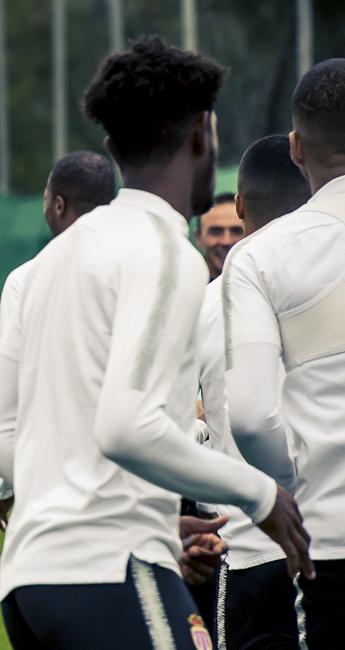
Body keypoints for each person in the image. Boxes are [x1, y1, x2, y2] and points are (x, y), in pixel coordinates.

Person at [0, 36, 312, 648]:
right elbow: (128, 427)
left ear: (112, 149)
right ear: (203, 136)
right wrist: (262, 494)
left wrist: (147, 515)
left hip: (28, 582)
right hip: (110, 572)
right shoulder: (165, 251)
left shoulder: (46, 264)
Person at [223, 59, 345, 648]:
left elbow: (250, 416)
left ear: (295, 147)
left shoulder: (259, 256)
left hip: (330, 539)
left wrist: (293, 492)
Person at [191, 134, 310, 650]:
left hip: (251, 550)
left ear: (240, 205)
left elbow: (242, 420)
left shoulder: (208, 301)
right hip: (329, 545)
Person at [0, 150, 117, 531]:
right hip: (131, 492)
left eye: (45, 198)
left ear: (58, 205)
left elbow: (12, 408)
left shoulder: (25, 282)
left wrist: (5, 485)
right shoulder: (143, 272)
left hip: (55, 494)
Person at [194, 193, 243, 281]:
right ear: (198, 238)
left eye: (236, 231)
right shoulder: (184, 285)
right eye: (216, 232)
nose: (226, 241)